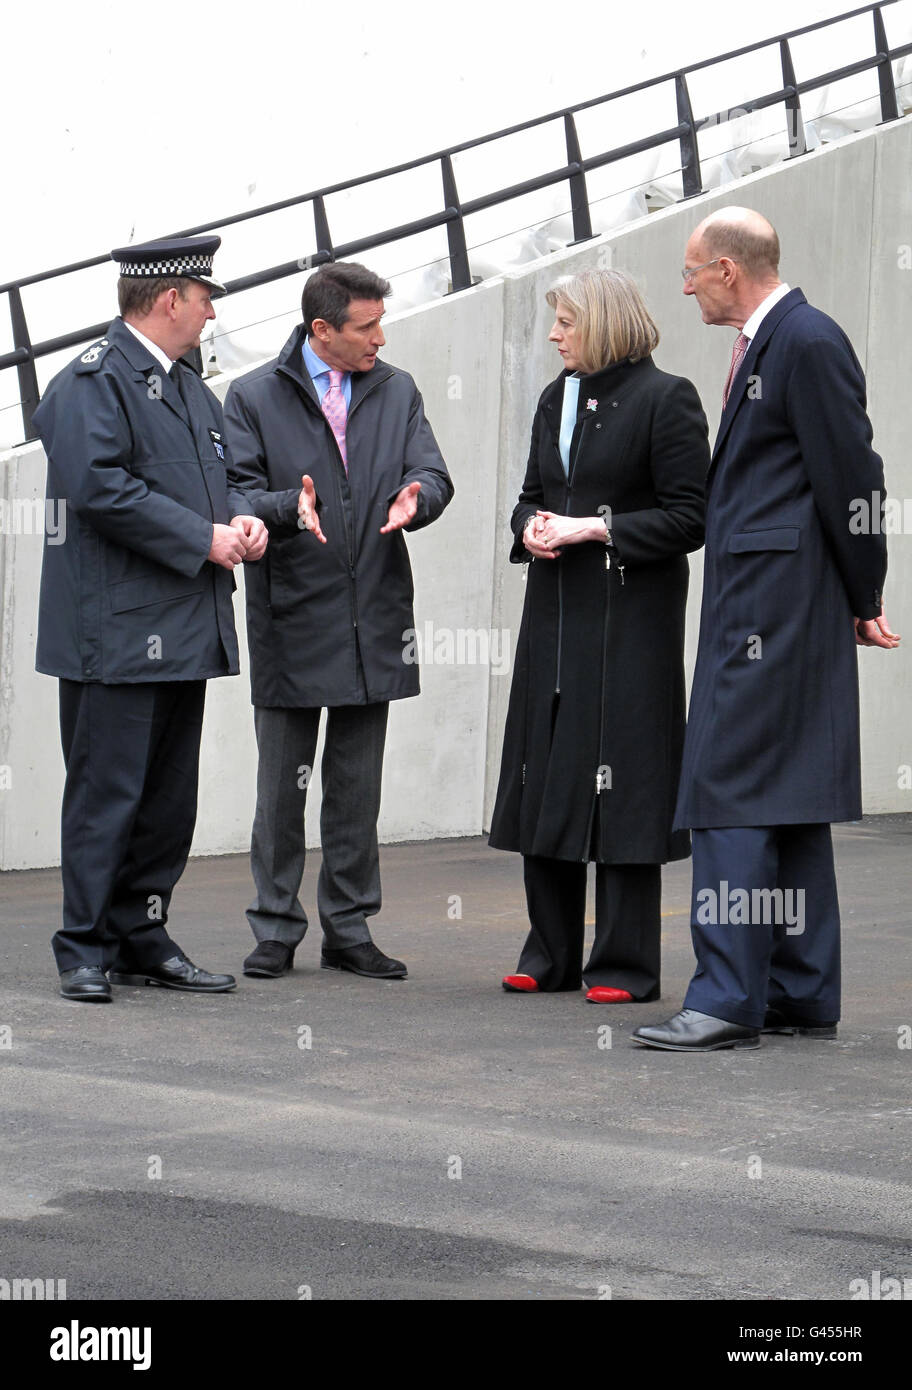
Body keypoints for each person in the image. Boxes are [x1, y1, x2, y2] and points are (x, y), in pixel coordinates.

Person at [633, 207, 900, 1053]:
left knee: (731, 790)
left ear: (726, 269)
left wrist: (866, 592)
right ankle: (799, 991)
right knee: (788, 797)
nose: (683, 286)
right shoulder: (776, 342)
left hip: (773, 608)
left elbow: (853, 475)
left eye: (690, 270)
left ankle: (725, 997)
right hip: (774, 602)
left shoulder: (806, 341)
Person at [35, 235, 268, 1003]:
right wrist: (200, 537)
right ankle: (84, 945)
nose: (208, 316)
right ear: (170, 299)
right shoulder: (90, 385)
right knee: (108, 794)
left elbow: (229, 477)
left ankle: (143, 934)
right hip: (116, 631)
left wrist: (246, 519)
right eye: (205, 301)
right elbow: (100, 489)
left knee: (168, 801)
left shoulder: (193, 390)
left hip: (184, 626)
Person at [223, 261, 453, 982]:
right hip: (292, 615)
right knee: (281, 789)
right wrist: (289, 507)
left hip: (375, 614)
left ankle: (349, 930)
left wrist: (420, 495)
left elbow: (435, 472)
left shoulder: (398, 388)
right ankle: (275, 927)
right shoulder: (253, 395)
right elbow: (232, 491)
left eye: (382, 322)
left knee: (357, 789)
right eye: (367, 326)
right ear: (321, 332)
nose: (380, 338)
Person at [488, 267, 709, 1003]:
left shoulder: (667, 399)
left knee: (625, 781)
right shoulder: (559, 396)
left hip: (630, 622)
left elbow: (691, 517)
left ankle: (624, 965)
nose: (553, 335)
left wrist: (598, 527)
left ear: (605, 324)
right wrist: (530, 528)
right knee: (546, 768)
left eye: (566, 323)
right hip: (553, 616)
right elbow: (528, 496)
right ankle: (548, 953)